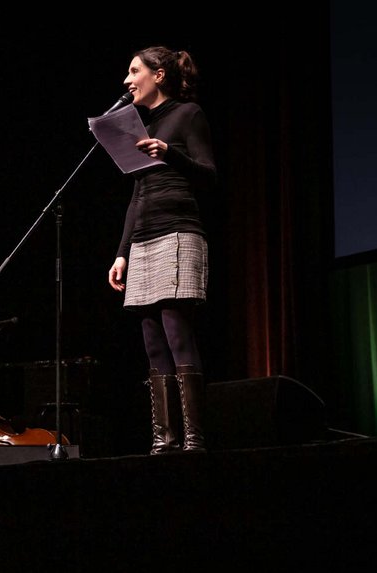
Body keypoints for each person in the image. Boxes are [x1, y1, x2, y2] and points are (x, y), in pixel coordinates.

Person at [107, 45, 216, 453]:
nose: (127, 80)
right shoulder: (141, 125)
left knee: (176, 332)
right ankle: (164, 438)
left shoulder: (188, 115)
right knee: (151, 339)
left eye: (134, 71)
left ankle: (193, 438)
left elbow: (210, 175)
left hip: (178, 233)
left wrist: (171, 155)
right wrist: (122, 252)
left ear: (159, 75)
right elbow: (137, 196)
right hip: (143, 239)